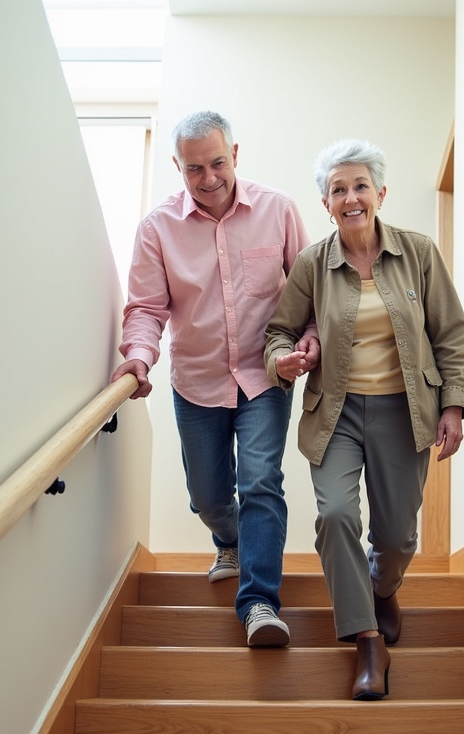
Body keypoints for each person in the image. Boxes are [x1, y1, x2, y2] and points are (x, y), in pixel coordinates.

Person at [265, 139, 464, 699]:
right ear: (326, 203)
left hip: (405, 411)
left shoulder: (419, 253)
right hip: (335, 414)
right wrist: (284, 360)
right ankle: (367, 643)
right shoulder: (313, 263)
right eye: (339, 189)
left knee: (398, 536)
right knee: (335, 516)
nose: (351, 197)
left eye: (360, 186)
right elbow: (279, 333)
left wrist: (453, 404)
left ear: (380, 194)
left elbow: (450, 334)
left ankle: (384, 589)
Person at [111, 111, 318, 646]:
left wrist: (309, 340)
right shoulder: (157, 228)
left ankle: (259, 605)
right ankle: (228, 540)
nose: (208, 178)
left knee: (260, 481)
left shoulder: (278, 209)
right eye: (194, 168)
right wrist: (138, 355)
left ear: (236, 154)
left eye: (218, 163)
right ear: (178, 167)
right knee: (208, 496)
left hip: (264, 376)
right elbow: (146, 308)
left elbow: (311, 288)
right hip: (196, 380)